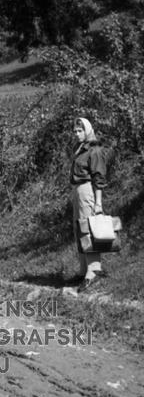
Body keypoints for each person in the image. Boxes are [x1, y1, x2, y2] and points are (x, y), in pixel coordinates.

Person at [71, 117, 109, 293]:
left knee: (88, 229)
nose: (77, 134)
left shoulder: (94, 149)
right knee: (78, 229)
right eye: (75, 131)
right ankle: (83, 270)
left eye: (80, 130)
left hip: (87, 190)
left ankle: (93, 271)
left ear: (87, 130)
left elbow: (99, 177)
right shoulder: (79, 148)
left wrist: (98, 203)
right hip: (77, 190)